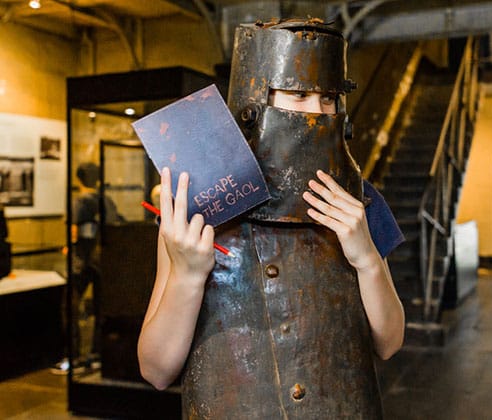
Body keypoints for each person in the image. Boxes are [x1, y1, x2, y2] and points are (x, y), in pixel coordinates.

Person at [138, 19, 405, 418]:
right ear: (255, 102)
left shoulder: (359, 201)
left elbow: (389, 341)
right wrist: (187, 276)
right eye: (298, 95)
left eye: (329, 99)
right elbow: (157, 369)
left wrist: (367, 258)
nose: (317, 112)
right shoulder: (197, 208)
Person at [52, 162, 124, 374]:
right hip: (103, 260)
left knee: (71, 306)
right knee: (101, 307)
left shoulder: (80, 201)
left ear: (79, 179)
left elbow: (75, 233)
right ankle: (96, 353)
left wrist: (69, 248)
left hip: (82, 262)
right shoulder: (107, 200)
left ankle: (74, 356)